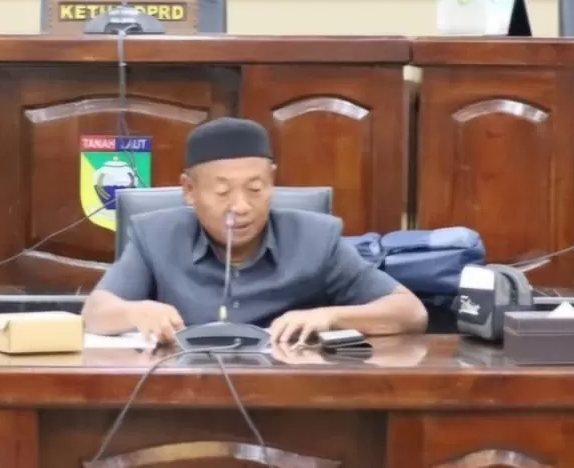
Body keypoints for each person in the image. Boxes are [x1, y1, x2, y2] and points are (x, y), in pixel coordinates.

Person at [83, 117, 428, 345]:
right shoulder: (155, 236)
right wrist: (136, 312)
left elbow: (410, 312)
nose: (241, 206)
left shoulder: (316, 238)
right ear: (189, 190)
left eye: (255, 188)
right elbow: (95, 312)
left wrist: (331, 317)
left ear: (272, 182)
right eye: (222, 192)